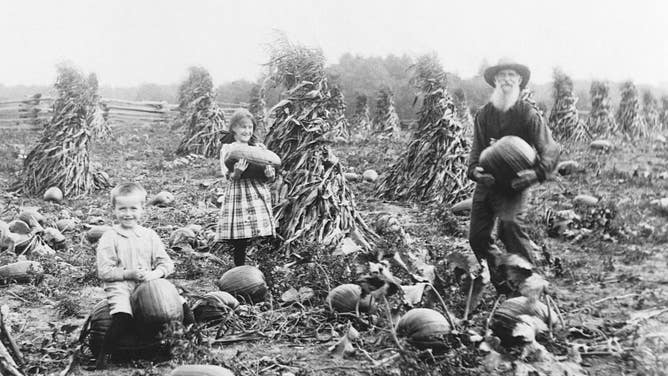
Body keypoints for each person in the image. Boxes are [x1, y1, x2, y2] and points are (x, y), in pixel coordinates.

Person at [467, 58, 560, 294]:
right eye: (502, 76)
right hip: (487, 183)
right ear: (495, 81)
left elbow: (550, 149)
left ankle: (530, 285)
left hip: (513, 185)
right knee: (477, 238)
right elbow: (476, 152)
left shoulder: (527, 114)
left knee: (510, 229)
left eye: (511, 75)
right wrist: (475, 171)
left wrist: (537, 173)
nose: (506, 80)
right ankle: (505, 283)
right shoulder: (484, 115)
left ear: (519, 81)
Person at [95, 182, 193, 369]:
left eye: (133, 208)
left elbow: (166, 264)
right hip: (121, 287)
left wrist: (155, 274)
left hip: (150, 285)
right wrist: (128, 273)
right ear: (113, 210)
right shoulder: (109, 237)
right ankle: (104, 355)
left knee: (182, 305)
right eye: (122, 208)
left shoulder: (149, 235)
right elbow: (104, 271)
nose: (128, 213)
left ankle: (191, 340)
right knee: (122, 317)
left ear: (142, 209)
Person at [216, 109, 277, 266]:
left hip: (257, 193)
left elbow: (268, 175)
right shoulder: (229, 149)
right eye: (243, 127)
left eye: (250, 127)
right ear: (234, 128)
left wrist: (270, 175)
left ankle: (263, 267)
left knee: (261, 233)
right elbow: (227, 175)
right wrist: (236, 173)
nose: (247, 131)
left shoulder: (259, 148)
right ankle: (240, 269)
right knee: (241, 238)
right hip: (239, 194)